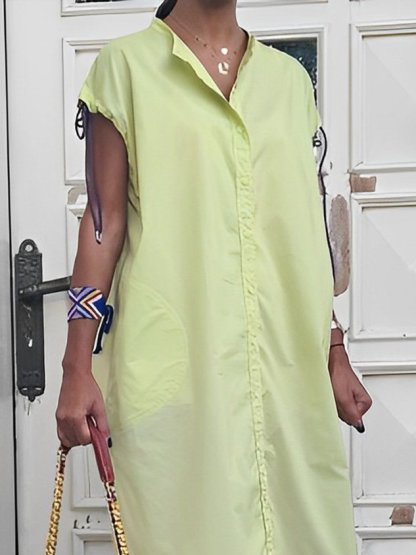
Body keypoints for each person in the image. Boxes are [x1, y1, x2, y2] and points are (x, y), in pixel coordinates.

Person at [56, 0, 372, 553]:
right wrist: (75, 367)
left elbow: (302, 223)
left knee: (307, 531)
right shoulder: (124, 69)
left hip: (287, 370)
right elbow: (104, 225)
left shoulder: (289, 82)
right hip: (182, 372)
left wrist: (334, 347)